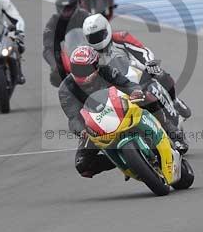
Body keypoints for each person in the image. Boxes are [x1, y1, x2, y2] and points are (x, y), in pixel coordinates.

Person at [82, 13, 193, 154]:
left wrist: (149, 62)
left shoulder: (120, 38)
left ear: (107, 29)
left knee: (160, 74)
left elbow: (142, 51)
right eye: (93, 37)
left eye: (99, 35)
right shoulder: (90, 53)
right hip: (113, 89)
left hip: (136, 77)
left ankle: (175, 110)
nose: (97, 39)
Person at [58, 45, 142, 177]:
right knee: (83, 165)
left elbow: (126, 84)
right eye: (77, 69)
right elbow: (73, 117)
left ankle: (170, 133)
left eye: (85, 69)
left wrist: (135, 91)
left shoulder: (106, 71)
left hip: (121, 109)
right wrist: (82, 131)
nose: (81, 73)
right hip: (94, 126)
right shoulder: (65, 89)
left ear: (95, 66)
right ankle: (122, 161)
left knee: (148, 99)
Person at [43, 0, 90, 86]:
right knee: (56, 76)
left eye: (69, 8)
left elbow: (99, 31)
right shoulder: (53, 22)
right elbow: (48, 47)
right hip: (67, 53)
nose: (66, 11)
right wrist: (55, 66)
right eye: (63, 9)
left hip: (87, 50)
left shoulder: (86, 16)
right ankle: (67, 90)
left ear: (75, 7)